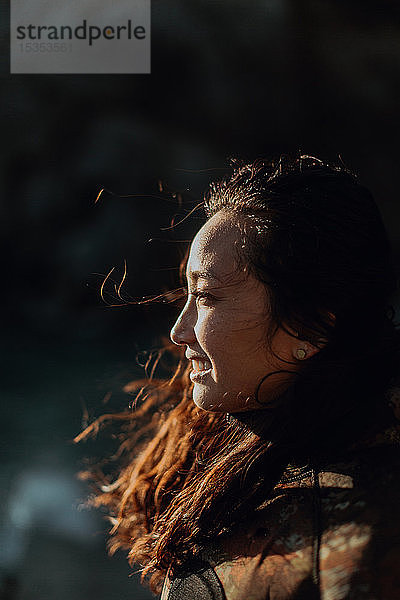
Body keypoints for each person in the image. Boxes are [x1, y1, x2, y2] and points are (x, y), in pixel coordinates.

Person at [78, 155, 400, 599]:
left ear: (308, 326)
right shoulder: (236, 440)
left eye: (207, 296)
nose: (179, 331)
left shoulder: (361, 539)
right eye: (187, 294)